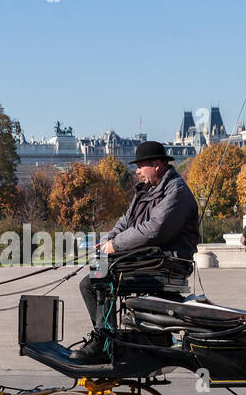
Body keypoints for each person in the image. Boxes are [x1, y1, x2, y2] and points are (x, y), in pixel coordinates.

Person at [73, 140, 200, 363]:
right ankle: (108, 339)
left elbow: (155, 229)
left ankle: (105, 342)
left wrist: (116, 245)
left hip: (167, 262)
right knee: (94, 275)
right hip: (150, 258)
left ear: (157, 165)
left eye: (141, 166)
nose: (137, 171)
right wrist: (107, 240)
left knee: (98, 280)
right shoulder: (147, 190)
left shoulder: (176, 191)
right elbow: (126, 221)